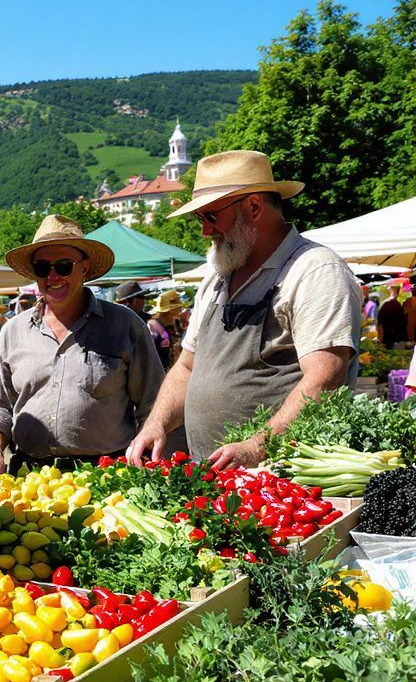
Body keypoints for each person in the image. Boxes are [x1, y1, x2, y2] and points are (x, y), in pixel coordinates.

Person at [127, 151, 361, 470]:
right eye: (200, 219)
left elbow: (325, 378)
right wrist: (156, 423)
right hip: (212, 474)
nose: (205, 232)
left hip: (281, 481)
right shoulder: (217, 278)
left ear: (253, 207)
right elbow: (186, 368)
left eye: (210, 217)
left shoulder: (314, 270)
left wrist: (257, 446)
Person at [0, 215, 164, 481]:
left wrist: (147, 464)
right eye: (43, 268)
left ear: (85, 268)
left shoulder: (124, 326)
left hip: (106, 477)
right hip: (30, 479)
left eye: (64, 266)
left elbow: (153, 402)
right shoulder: (13, 331)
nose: (53, 276)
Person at [116, 281, 172, 366]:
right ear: (135, 301)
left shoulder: (116, 323)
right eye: (143, 297)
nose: (144, 301)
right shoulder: (147, 323)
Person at [150, 290, 188, 369]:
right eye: (177, 310)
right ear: (169, 312)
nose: (179, 314)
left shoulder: (166, 328)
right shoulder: (153, 328)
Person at [376, 284, 407, 348]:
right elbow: (403, 321)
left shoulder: (385, 304)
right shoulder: (398, 304)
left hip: (388, 337)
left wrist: (380, 339)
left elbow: (380, 323)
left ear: (389, 291)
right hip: (398, 337)